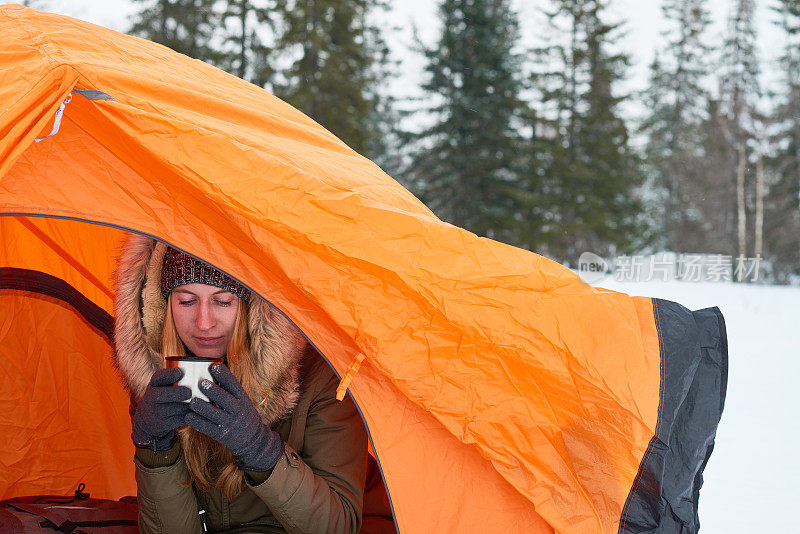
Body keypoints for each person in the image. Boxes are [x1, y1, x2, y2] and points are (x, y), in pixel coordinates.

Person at [113, 235, 368, 533]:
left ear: (252, 303)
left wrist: (260, 449)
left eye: (222, 301)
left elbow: (339, 526)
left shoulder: (320, 376)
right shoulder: (160, 382)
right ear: (165, 305)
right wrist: (155, 450)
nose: (204, 322)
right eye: (186, 300)